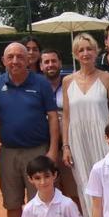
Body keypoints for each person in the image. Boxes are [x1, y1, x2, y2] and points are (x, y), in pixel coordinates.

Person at [0, 42, 59, 217]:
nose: (15, 61)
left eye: (20, 56)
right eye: (10, 57)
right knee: (12, 202)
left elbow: (52, 116)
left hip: (36, 150)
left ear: (28, 59)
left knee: (39, 202)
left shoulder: (40, 83)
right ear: (3, 60)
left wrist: (51, 150)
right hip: (8, 151)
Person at [62, 33, 109, 217]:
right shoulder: (68, 81)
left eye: (89, 49)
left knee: (107, 189)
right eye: (81, 50)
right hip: (77, 141)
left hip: (102, 138)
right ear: (75, 54)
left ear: (97, 51)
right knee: (85, 188)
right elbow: (66, 116)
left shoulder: (107, 78)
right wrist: (66, 146)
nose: (85, 53)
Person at [41, 48, 79, 204]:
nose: (51, 65)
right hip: (45, 145)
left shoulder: (71, 83)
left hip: (69, 146)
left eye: (54, 61)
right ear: (41, 66)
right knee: (51, 192)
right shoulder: (37, 86)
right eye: (46, 62)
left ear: (60, 63)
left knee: (73, 191)